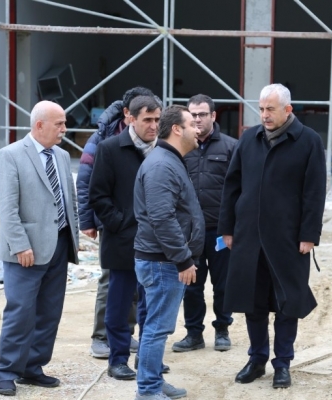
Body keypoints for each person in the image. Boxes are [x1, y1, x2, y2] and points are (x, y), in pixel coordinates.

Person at [218, 83, 326, 389]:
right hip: (249, 237)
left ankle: (282, 364)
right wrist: (228, 229)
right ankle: (256, 359)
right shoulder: (249, 139)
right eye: (261, 109)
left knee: (286, 303)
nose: (264, 115)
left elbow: (315, 192)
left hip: (288, 240)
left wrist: (309, 235)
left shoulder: (308, 141)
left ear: (287, 110)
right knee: (252, 302)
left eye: (270, 109)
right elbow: (232, 186)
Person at [0, 100, 79, 396]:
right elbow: (7, 208)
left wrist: (73, 238)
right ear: (39, 125)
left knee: (49, 313)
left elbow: (69, 200)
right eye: (59, 124)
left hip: (59, 246)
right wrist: (20, 245)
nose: (64, 129)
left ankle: (33, 367)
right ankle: (6, 371)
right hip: (25, 252)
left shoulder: (62, 156)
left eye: (64, 123)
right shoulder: (11, 155)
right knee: (20, 312)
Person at [77, 86, 155, 359]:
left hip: (147, 232)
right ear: (128, 114)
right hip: (117, 228)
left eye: (156, 119)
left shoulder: (157, 145)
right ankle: (103, 338)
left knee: (141, 289)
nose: (153, 125)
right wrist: (98, 220)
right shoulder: (105, 139)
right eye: (146, 118)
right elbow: (88, 182)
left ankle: (129, 337)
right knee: (113, 284)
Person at [134, 105, 205, 400]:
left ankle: (153, 380)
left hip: (165, 260)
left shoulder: (170, 160)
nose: (198, 128)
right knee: (157, 328)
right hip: (163, 262)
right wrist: (183, 259)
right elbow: (162, 218)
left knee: (157, 326)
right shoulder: (162, 165)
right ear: (176, 129)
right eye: (192, 124)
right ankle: (148, 389)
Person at [172, 94, 237, 353]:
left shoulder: (231, 147)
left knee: (223, 284)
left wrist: (233, 228)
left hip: (221, 232)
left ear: (213, 116)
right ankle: (194, 334)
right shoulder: (180, 147)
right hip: (190, 233)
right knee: (191, 285)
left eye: (202, 114)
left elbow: (239, 190)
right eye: (193, 115)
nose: (197, 119)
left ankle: (222, 330)